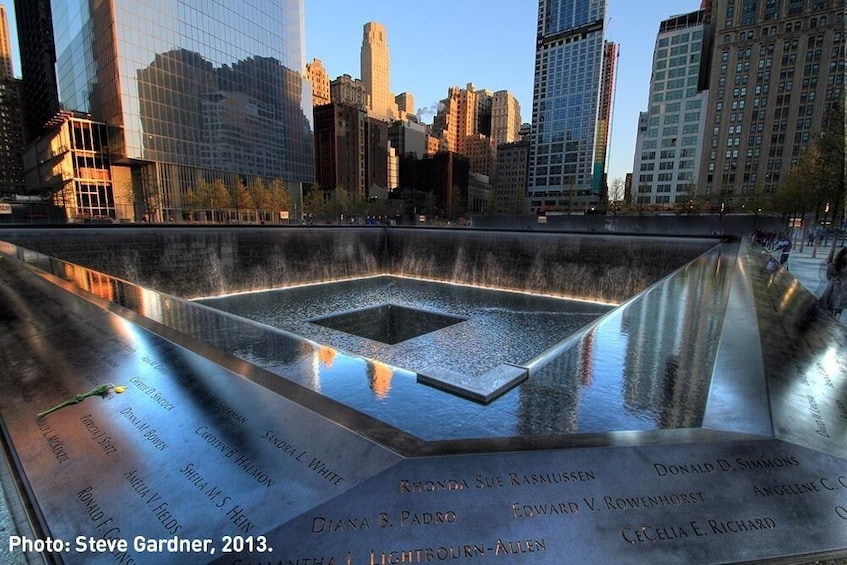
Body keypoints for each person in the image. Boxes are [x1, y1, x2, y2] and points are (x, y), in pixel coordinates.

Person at [822, 248, 847, 319]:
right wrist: (835, 281)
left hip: (844, 293)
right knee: (830, 310)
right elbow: (829, 276)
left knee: (839, 310)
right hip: (833, 291)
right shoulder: (833, 266)